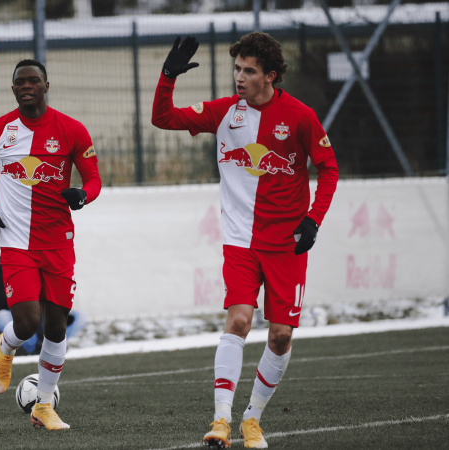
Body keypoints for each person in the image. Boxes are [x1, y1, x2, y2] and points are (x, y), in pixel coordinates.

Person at [151, 33, 339, 448]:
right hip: (239, 240)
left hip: (287, 243)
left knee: (281, 337)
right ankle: (221, 421)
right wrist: (168, 77)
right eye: (237, 69)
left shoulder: (301, 116)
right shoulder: (222, 113)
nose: (239, 77)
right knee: (238, 320)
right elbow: (163, 118)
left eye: (249, 71)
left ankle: (252, 420)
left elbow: (329, 169)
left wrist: (313, 220)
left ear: (270, 75)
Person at [0, 59, 102, 431]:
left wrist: (82, 195)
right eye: (19, 82)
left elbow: (93, 179)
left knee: (56, 327)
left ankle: (44, 406)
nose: (26, 86)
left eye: (33, 80)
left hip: (58, 242)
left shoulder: (72, 130)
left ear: (46, 85)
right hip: (15, 241)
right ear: (13, 90)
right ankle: (6, 347)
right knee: (27, 321)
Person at [0, 256, 87, 355]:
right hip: (16, 317)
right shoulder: (2, 262)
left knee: (79, 316)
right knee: (1, 316)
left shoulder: (43, 260)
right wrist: (20, 293)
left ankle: (52, 344)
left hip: (44, 316)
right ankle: (31, 347)